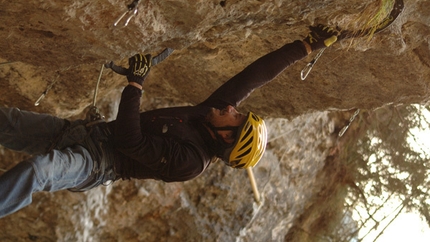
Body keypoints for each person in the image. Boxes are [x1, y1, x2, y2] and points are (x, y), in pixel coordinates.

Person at [0, 25, 340, 218]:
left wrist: (135, 84)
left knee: (40, 171)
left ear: (226, 137)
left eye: (234, 118)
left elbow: (128, 141)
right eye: (236, 112)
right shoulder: (210, 114)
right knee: (7, 121)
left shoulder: (190, 163)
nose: (232, 109)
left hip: (93, 163)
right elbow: (253, 77)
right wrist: (305, 46)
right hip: (83, 134)